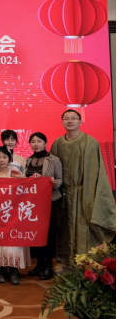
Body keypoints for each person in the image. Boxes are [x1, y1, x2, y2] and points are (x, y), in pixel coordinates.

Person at [50, 109, 116, 267]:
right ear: (62, 122)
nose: (70, 121)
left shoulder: (90, 143)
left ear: (80, 121)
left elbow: (96, 172)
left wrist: (90, 196)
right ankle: (67, 263)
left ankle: (86, 265)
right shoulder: (57, 143)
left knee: (84, 228)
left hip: (84, 194)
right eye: (66, 118)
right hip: (64, 195)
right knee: (65, 229)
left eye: (73, 118)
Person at [0, 146, 30, 285]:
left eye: (4, 157)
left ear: (9, 159)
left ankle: (13, 270)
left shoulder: (16, 175)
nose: (1, 160)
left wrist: (30, 179)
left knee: (13, 244)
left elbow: (28, 189)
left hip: (13, 216)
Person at [25, 132, 62, 280]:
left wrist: (51, 182)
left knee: (49, 235)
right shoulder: (28, 160)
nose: (36, 144)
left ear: (45, 143)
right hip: (33, 203)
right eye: (33, 141)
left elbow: (60, 180)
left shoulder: (54, 160)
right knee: (37, 233)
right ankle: (39, 265)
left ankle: (48, 267)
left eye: (39, 141)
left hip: (50, 202)